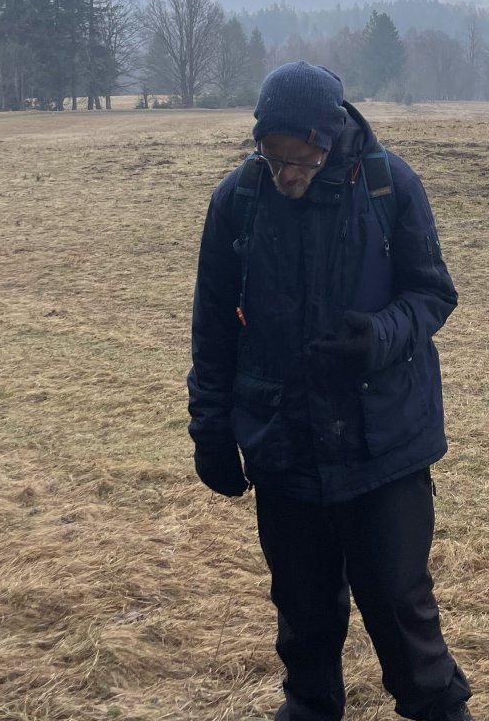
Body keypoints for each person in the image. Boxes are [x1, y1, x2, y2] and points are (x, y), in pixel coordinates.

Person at [187, 61, 474, 721]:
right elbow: (213, 327)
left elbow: (433, 293)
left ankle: (438, 709)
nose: (286, 174)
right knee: (303, 611)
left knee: (400, 607)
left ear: (331, 137)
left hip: (384, 445)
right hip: (284, 442)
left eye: (301, 158)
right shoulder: (238, 200)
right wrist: (211, 432)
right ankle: (310, 708)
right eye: (273, 157)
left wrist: (379, 336)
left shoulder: (389, 186)